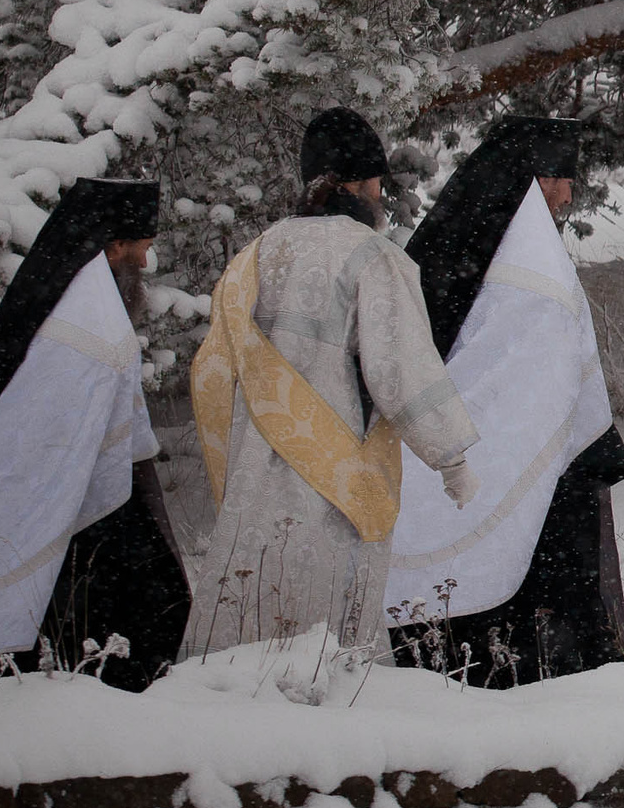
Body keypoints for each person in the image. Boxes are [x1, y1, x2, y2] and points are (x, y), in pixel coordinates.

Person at [182, 107, 480, 660]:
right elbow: (401, 366)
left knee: (253, 607)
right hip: (334, 468)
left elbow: (212, 370)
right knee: (322, 624)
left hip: (255, 469)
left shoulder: (256, 253)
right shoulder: (371, 256)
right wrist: (451, 457)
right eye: (376, 183)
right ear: (360, 185)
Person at [386, 115, 624, 686]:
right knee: (539, 614)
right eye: (563, 180)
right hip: (540, 469)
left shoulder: (466, 243)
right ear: (537, 180)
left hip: (488, 460)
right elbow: (536, 373)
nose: (569, 196)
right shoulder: (531, 268)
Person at [0, 177, 190, 688]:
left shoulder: (65, 293)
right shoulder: (88, 318)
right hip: (73, 494)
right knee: (145, 599)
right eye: (142, 248)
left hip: (78, 485)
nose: (145, 263)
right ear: (115, 245)